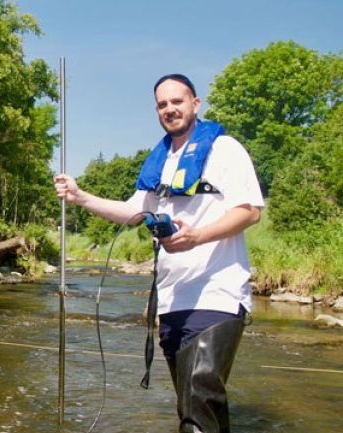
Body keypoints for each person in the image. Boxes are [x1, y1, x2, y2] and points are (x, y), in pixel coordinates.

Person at [54, 74, 264, 433]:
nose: (170, 109)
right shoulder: (161, 161)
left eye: (177, 101)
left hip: (217, 293)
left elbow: (249, 211)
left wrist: (197, 237)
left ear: (195, 103)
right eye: (162, 104)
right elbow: (133, 212)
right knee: (196, 407)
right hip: (171, 300)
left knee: (199, 399)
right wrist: (80, 196)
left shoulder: (225, 149)